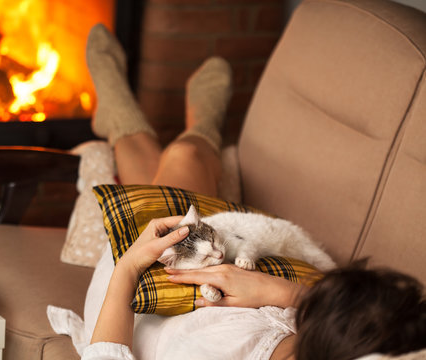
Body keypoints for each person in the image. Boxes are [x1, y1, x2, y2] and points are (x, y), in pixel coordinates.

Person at [81, 24, 426, 360]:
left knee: (180, 160)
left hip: (132, 300)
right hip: (197, 269)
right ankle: (176, 125)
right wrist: (283, 292)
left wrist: (127, 267)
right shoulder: (331, 339)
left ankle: (139, 122)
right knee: (181, 163)